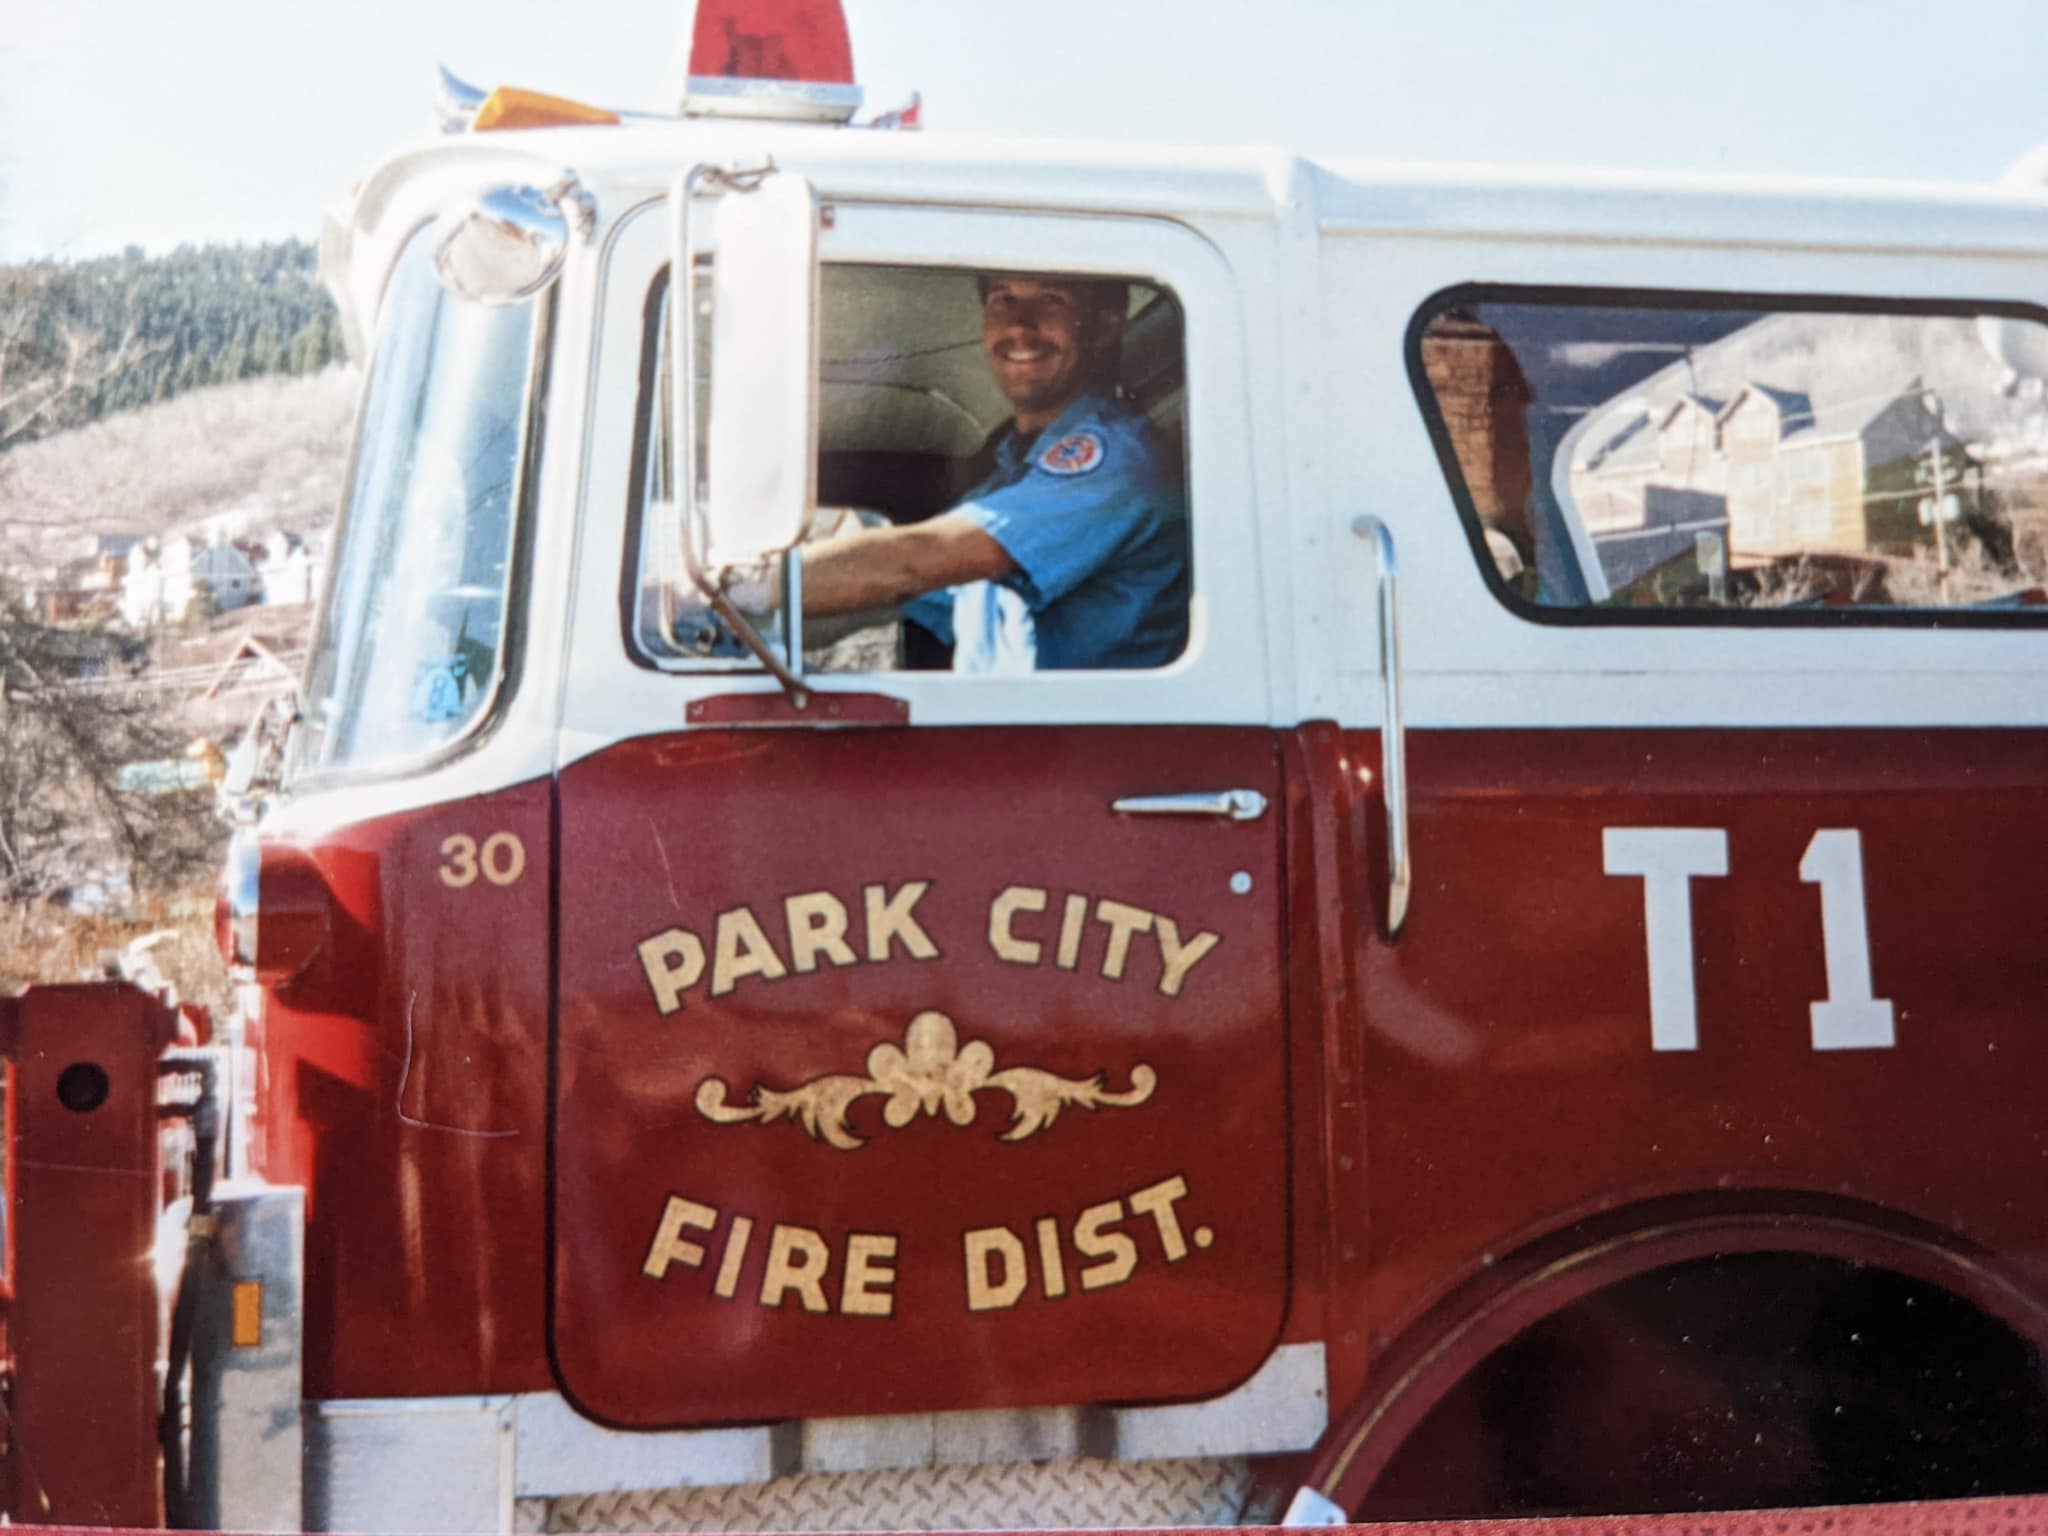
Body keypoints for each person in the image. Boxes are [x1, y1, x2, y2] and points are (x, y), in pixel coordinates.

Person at [713, 273, 1189, 671]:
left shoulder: (1114, 462)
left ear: (1105, 326)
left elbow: (912, 564)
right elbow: (897, 592)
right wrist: (735, 621)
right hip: (1020, 745)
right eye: (1003, 299)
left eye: (1050, 300)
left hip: (1090, 753)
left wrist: (726, 589)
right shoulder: (1014, 472)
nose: (1019, 326)